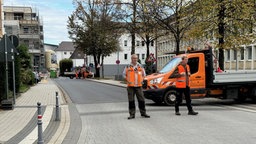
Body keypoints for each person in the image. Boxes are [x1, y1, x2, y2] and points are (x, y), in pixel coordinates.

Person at [123, 54, 150, 119]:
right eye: (134, 58)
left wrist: (142, 80)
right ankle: (132, 114)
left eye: (136, 58)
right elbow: (124, 75)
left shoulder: (140, 66)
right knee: (131, 100)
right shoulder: (128, 66)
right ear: (131, 59)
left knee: (141, 100)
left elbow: (144, 74)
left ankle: (143, 113)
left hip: (139, 86)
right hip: (130, 86)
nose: (135, 59)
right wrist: (128, 80)